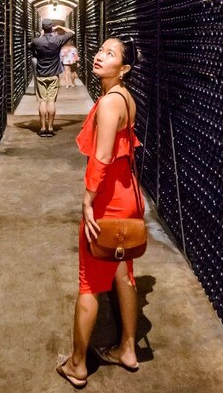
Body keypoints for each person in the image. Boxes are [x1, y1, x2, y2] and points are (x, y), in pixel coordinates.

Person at [57, 37, 142, 388]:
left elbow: (103, 157)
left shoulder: (109, 104)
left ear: (123, 68)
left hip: (108, 201)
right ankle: (127, 349)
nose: (99, 56)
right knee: (124, 274)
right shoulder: (125, 98)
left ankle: (77, 364)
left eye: (110, 54)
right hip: (129, 196)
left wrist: (87, 200)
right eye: (101, 50)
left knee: (89, 283)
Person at [30, 19, 75, 137]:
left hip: (41, 75)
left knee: (42, 102)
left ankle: (42, 128)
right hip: (53, 75)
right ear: (52, 28)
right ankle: (50, 128)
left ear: (43, 28)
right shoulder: (58, 40)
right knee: (51, 102)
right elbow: (72, 32)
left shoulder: (36, 41)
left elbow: (31, 48)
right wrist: (60, 26)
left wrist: (41, 35)